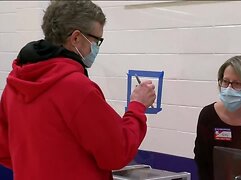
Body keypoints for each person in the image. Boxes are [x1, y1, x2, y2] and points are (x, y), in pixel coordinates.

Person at [0, 1, 156, 180]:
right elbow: (117, 153)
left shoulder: (15, 83)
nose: (96, 48)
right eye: (96, 41)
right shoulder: (77, 88)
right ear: (76, 38)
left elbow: (4, 150)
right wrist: (137, 106)